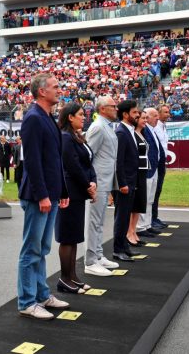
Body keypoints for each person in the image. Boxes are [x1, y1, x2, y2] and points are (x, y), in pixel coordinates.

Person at [18, 73, 70, 320]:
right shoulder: (33, 118)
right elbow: (33, 161)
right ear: (41, 91)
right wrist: (42, 196)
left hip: (50, 193)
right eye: (55, 87)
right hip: (38, 195)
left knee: (43, 248)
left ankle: (41, 295)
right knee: (31, 250)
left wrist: (61, 192)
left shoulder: (47, 117)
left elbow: (55, 160)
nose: (59, 90)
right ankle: (27, 301)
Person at [55, 103, 97, 294]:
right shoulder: (65, 137)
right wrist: (88, 186)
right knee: (67, 237)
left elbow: (88, 162)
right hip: (70, 192)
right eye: (81, 114)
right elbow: (72, 166)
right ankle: (64, 278)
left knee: (73, 237)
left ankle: (72, 276)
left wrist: (93, 181)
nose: (84, 117)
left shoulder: (77, 136)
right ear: (70, 117)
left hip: (80, 191)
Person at [84, 95, 120, 277]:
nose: (116, 109)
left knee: (99, 222)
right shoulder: (98, 127)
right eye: (113, 106)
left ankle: (97, 255)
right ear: (103, 108)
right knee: (94, 222)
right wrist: (91, 181)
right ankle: (90, 261)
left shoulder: (106, 126)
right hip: (97, 180)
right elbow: (88, 155)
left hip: (105, 180)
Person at [113, 100, 141, 262]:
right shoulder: (122, 132)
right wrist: (122, 183)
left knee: (125, 217)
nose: (137, 115)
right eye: (135, 112)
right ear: (125, 114)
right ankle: (118, 249)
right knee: (122, 217)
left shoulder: (129, 130)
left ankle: (124, 246)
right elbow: (119, 161)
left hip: (131, 181)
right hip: (124, 183)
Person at [137, 108, 165, 237]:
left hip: (154, 169)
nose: (157, 118)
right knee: (145, 198)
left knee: (150, 199)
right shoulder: (144, 129)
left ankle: (147, 224)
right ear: (147, 117)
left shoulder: (152, 129)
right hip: (147, 169)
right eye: (154, 116)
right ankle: (140, 226)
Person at [126, 110, 149, 247]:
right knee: (133, 204)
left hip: (143, 171)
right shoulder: (133, 134)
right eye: (143, 118)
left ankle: (134, 230)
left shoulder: (142, 134)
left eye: (147, 118)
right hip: (136, 172)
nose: (145, 120)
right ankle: (129, 232)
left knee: (139, 204)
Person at [152, 104, 171, 229]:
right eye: (165, 112)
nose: (168, 114)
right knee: (154, 192)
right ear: (158, 114)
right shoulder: (155, 128)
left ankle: (154, 217)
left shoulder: (163, 127)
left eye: (168, 112)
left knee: (158, 191)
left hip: (162, 162)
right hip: (156, 163)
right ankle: (151, 218)